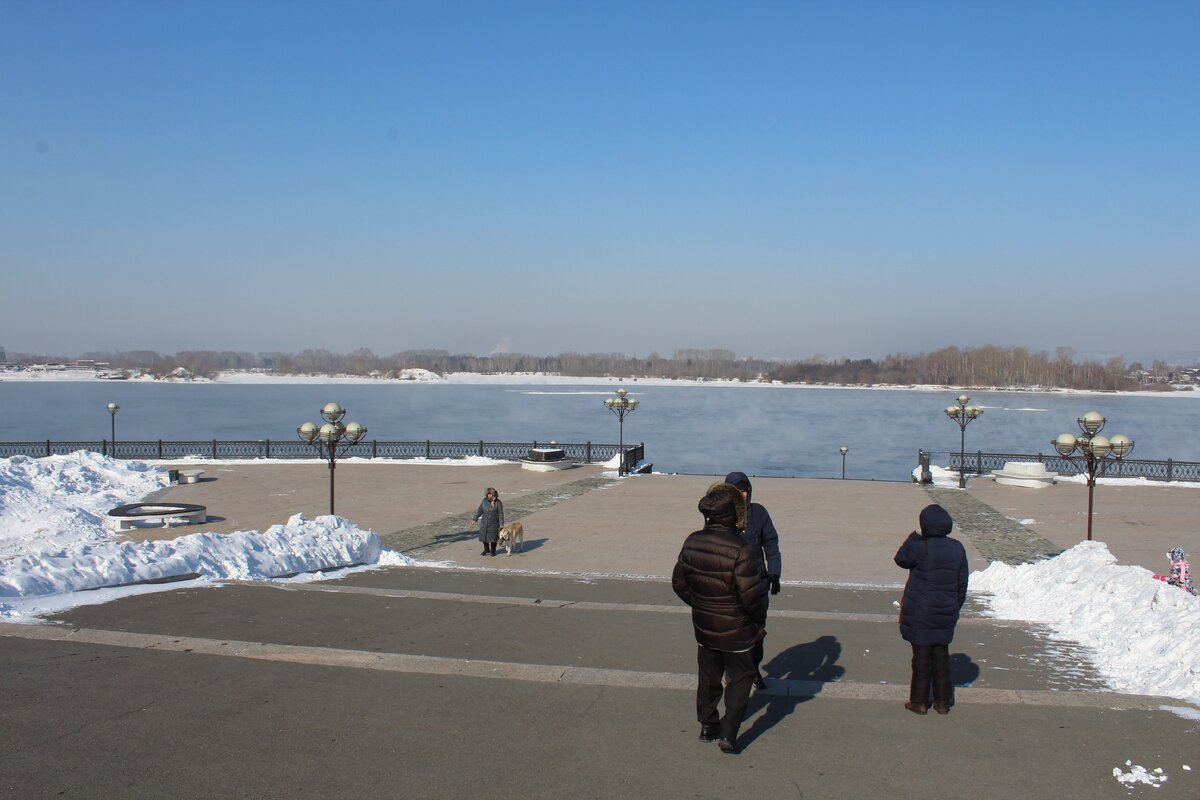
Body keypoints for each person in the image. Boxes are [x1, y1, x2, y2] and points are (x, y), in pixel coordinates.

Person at [672, 482, 768, 755]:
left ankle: (707, 724)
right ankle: (729, 732)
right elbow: (752, 597)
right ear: (734, 516)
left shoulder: (692, 541)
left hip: (705, 626)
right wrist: (757, 622)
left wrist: (701, 604)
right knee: (741, 677)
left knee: (709, 675)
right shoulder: (741, 549)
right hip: (737, 629)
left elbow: (679, 583)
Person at [894, 503, 968, 715]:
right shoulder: (957, 547)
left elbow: (901, 559)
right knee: (941, 657)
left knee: (922, 658)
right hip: (946, 610)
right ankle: (942, 702)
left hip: (921, 612)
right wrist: (955, 605)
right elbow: (962, 582)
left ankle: (919, 702)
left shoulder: (921, 546)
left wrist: (914, 536)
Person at [723, 470, 781, 690]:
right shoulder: (721, 515)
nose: (742, 495)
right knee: (732, 634)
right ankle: (732, 673)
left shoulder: (759, 513)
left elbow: (771, 543)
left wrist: (774, 573)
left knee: (757, 632)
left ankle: (753, 668)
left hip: (758, 586)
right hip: (731, 589)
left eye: (745, 490)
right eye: (736, 491)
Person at [473, 487, 504, 557]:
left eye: (490, 494)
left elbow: (500, 514)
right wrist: (475, 519)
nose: (489, 496)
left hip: (494, 524)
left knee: (493, 539)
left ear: (494, 495)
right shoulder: (484, 501)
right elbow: (479, 510)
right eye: (488, 494)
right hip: (484, 523)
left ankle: (493, 551)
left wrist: (501, 525)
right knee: (484, 538)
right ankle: (486, 550)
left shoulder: (498, 503)